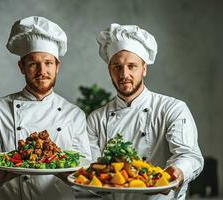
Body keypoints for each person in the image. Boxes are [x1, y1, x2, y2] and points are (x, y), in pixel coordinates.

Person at [0, 16, 91, 200]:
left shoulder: (74, 115)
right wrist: (10, 168)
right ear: (22, 67)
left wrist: (59, 166)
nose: (42, 71)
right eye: (34, 63)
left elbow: (83, 167)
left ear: (57, 66)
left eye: (48, 63)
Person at [87, 23, 204, 199]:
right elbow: (92, 169)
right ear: (109, 70)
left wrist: (175, 173)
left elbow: (188, 155)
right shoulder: (97, 118)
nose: (124, 74)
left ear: (144, 69)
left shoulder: (172, 108)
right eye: (117, 67)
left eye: (132, 66)